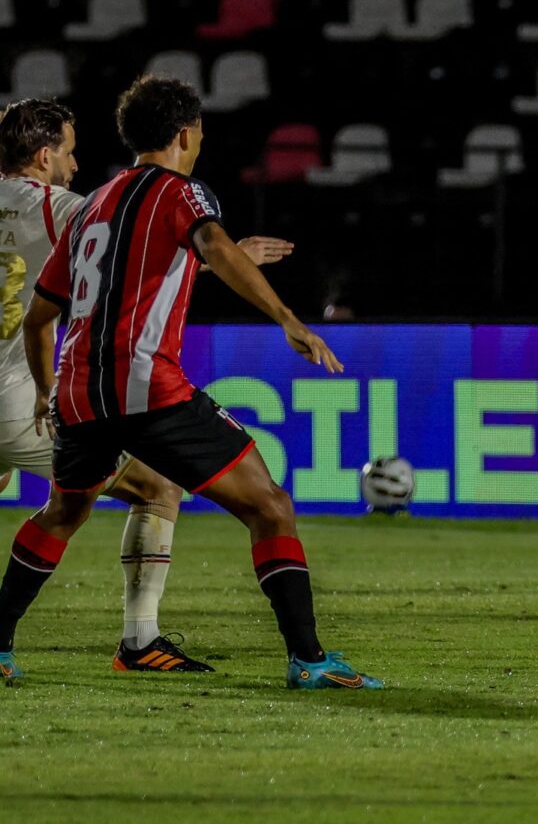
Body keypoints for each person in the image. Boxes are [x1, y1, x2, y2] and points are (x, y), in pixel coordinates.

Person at [0, 75, 379, 689]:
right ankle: (309, 661)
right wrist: (287, 318)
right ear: (184, 134)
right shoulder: (182, 192)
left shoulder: (92, 203)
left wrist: (48, 391)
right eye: (198, 131)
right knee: (271, 507)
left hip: (76, 391)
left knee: (65, 510)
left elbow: (42, 316)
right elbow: (216, 247)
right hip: (146, 386)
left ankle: (0, 643)